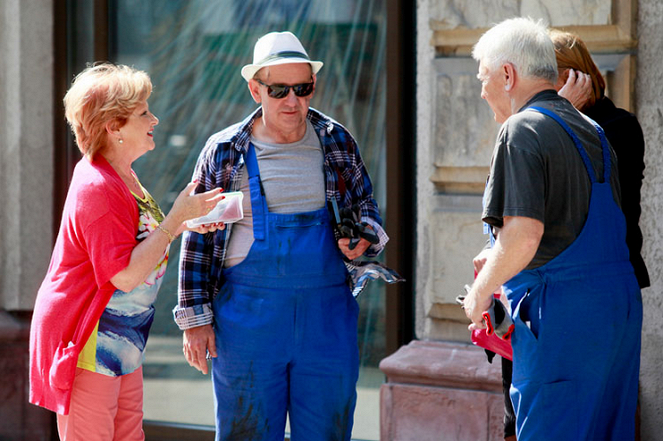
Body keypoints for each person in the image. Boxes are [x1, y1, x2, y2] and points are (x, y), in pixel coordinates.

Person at [174, 31, 389, 440]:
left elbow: (368, 212)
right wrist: (194, 321)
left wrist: (363, 241)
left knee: (327, 431)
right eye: (279, 90)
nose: (293, 101)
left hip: (326, 321)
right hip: (248, 325)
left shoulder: (336, 140)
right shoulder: (224, 151)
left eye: (303, 88)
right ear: (256, 89)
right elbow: (197, 236)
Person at [465, 17, 642, 441]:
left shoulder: (522, 128)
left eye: (483, 77)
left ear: (507, 74)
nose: (483, 90)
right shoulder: (593, 128)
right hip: (616, 312)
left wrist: (480, 293)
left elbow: (523, 235)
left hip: (561, 316)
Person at [29, 63, 223, 440]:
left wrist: (189, 221)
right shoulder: (97, 186)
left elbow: (139, 242)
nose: (155, 118)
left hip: (122, 339)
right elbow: (126, 275)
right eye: (143, 112)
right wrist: (174, 221)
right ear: (113, 127)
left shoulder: (123, 174)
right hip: (89, 342)